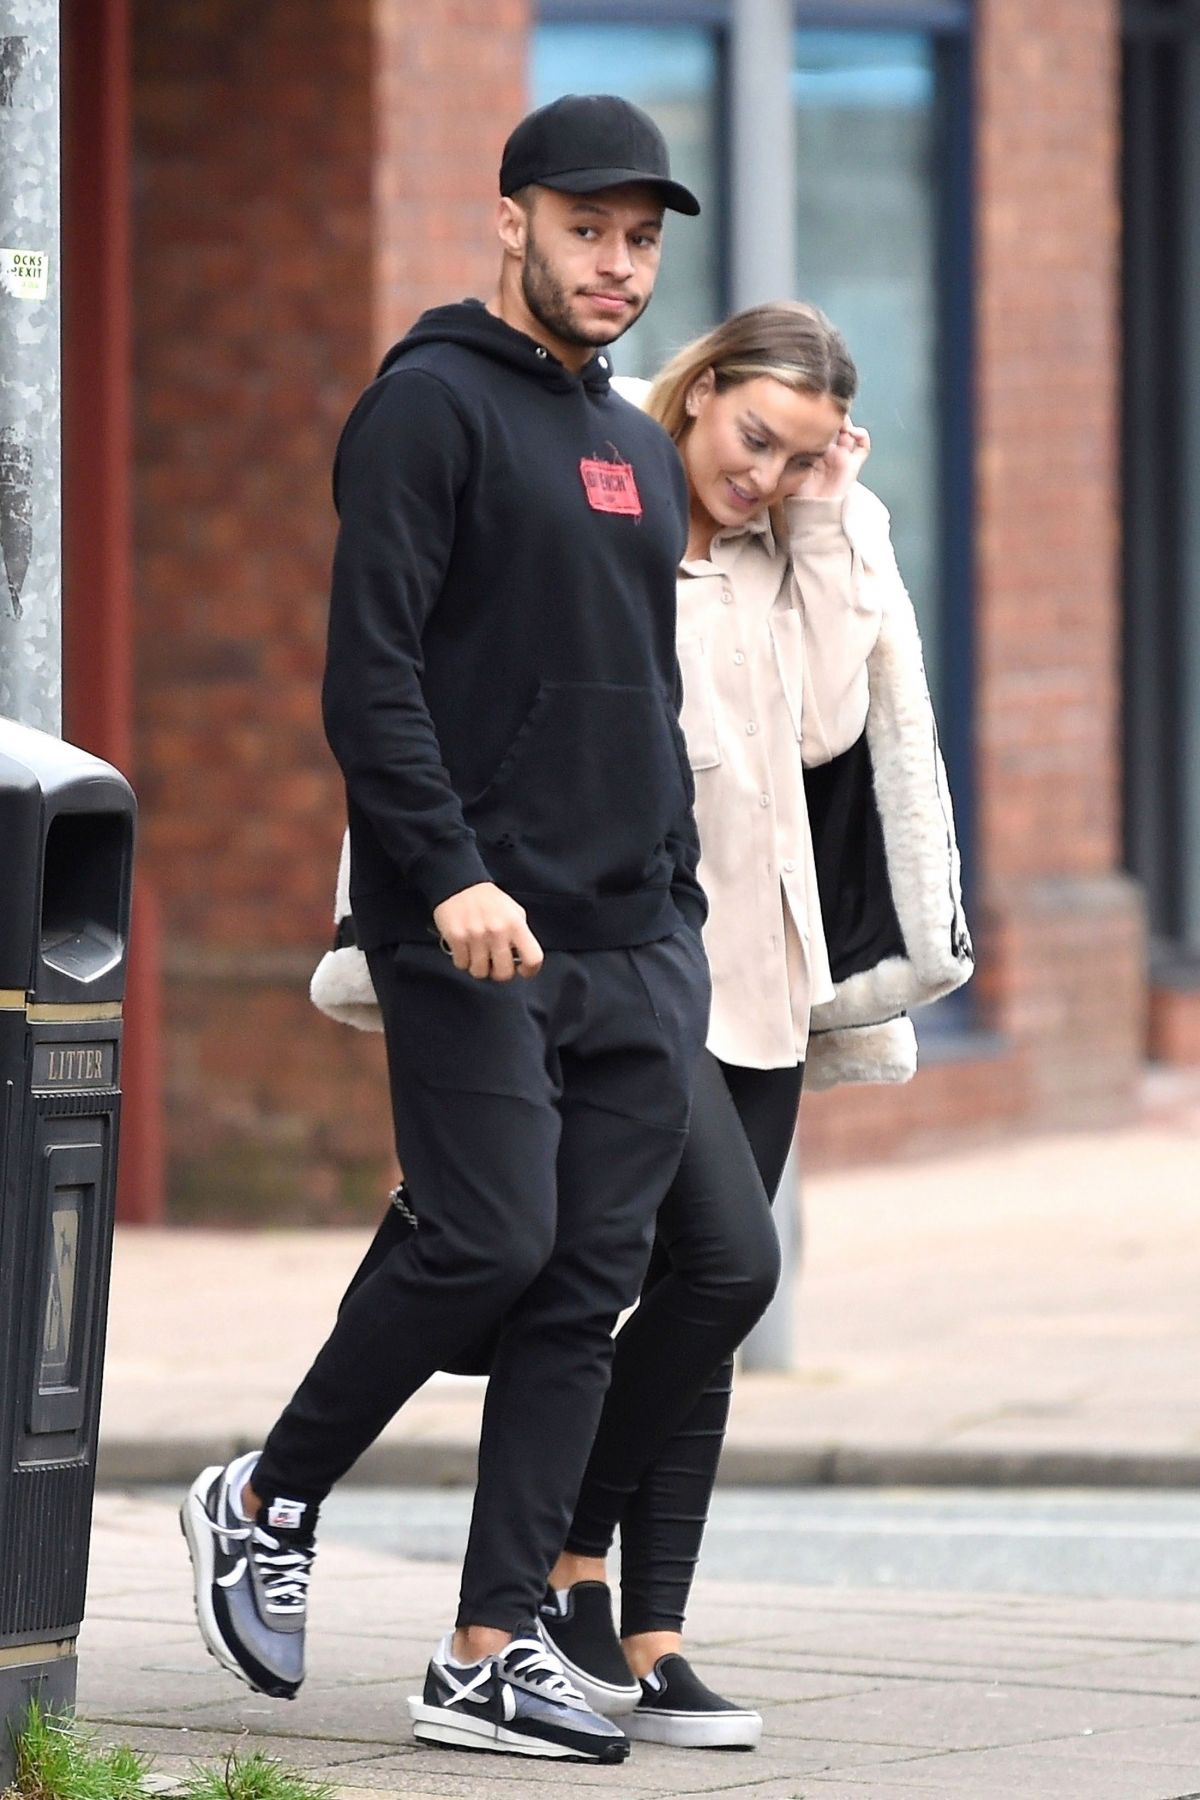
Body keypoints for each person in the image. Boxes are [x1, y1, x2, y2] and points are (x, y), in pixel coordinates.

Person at [314, 300, 973, 1749]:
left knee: (700, 1303)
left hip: (758, 976)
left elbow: (818, 726)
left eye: (792, 456)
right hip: (622, 956)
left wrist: (827, 514)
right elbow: (446, 692)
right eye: (754, 439)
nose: (759, 472)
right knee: (724, 1266)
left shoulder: (768, 551)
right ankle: (548, 1576)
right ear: (701, 392)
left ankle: (640, 1624)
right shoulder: (599, 527)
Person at [181, 93, 713, 1767]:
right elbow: (374, 676)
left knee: (581, 1291)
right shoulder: (425, 410)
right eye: (587, 232)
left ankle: (487, 1650)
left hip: (635, 941)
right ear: (512, 222)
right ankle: (265, 1495)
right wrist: (451, 874)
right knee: (484, 1238)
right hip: (472, 926)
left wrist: (676, 894)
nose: (616, 266)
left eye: (639, 241)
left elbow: (640, 691)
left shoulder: (633, 441)